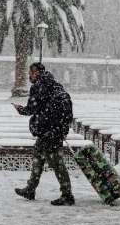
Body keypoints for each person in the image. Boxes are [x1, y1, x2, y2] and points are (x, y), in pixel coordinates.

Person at [13, 62, 75, 205]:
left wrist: (21, 110)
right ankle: (30, 189)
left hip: (49, 132)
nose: (29, 76)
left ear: (36, 72)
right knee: (38, 157)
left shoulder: (39, 87)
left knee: (57, 163)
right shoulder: (54, 85)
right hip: (55, 130)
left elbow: (32, 108)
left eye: (30, 73)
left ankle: (67, 195)